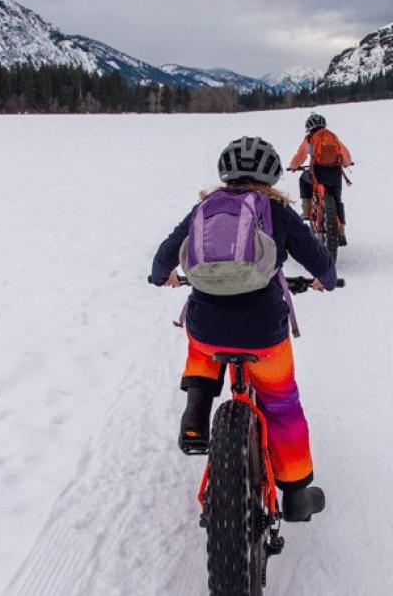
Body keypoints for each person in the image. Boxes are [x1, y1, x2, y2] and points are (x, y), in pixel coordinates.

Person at [150, 136, 336, 522]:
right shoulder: (278, 211)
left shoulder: (204, 208)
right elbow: (318, 259)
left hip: (207, 325)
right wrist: (326, 279)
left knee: (201, 347)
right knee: (283, 406)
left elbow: (163, 257)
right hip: (263, 331)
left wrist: (162, 276)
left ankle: (196, 415)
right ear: (270, 176)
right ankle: (297, 495)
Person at [288, 112, 353, 245]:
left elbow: (301, 156)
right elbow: (345, 154)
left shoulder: (310, 139)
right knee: (337, 201)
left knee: (303, 179)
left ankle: (306, 211)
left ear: (309, 127)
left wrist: (293, 166)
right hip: (335, 172)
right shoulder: (332, 137)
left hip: (318, 172)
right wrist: (346, 163)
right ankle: (341, 231)